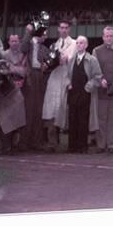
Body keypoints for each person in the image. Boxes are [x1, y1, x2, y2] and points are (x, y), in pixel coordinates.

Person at [56, 35, 102, 153]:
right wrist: (68, 83)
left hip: (85, 94)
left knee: (83, 120)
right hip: (73, 93)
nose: (79, 45)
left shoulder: (92, 60)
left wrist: (88, 87)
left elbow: (98, 77)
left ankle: (82, 147)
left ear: (86, 45)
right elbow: (66, 75)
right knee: (72, 119)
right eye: (77, 43)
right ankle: (72, 146)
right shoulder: (71, 60)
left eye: (81, 43)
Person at [42, 21, 77, 152]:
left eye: (66, 28)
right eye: (61, 28)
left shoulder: (74, 44)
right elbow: (50, 62)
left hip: (67, 79)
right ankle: (52, 142)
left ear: (69, 29)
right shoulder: (53, 45)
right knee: (51, 110)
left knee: (63, 111)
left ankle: (71, 143)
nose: (63, 30)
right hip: (54, 79)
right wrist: (46, 65)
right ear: (58, 29)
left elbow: (72, 59)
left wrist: (65, 59)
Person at [19, 24, 50, 151]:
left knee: (38, 111)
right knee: (28, 110)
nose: (46, 36)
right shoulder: (29, 43)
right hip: (30, 77)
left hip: (40, 77)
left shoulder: (45, 49)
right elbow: (22, 48)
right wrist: (28, 32)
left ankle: (36, 142)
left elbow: (49, 61)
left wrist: (47, 65)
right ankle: (23, 142)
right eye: (45, 34)